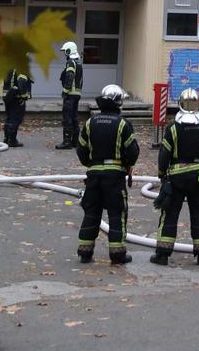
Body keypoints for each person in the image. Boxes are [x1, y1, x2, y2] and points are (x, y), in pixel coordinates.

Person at [150, 87, 199, 266]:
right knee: (198, 216)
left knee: (170, 215)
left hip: (176, 179)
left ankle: (162, 255)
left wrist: (161, 175)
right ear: (198, 106)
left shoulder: (173, 128)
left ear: (180, 104)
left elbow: (164, 153)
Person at [75, 84, 139, 264]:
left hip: (94, 176)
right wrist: (127, 165)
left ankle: (85, 253)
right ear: (118, 103)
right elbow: (133, 151)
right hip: (115, 177)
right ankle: (117, 254)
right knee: (116, 214)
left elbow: (81, 150)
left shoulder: (90, 123)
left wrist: (92, 164)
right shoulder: (123, 124)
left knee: (91, 213)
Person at [56, 40, 83, 150]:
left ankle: (67, 142)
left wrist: (65, 91)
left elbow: (70, 76)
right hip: (77, 94)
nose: (64, 54)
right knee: (74, 117)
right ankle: (75, 142)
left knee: (67, 118)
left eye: (65, 51)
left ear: (68, 51)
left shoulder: (71, 63)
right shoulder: (78, 63)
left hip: (70, 95)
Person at [2, 65, 33, 147]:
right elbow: (22, 82)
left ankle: (6, 139)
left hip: (8, 98)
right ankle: (12, 141)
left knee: (9, 118)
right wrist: (24, 97)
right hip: (17, 100)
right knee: (15, 119)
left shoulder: (10, 68)